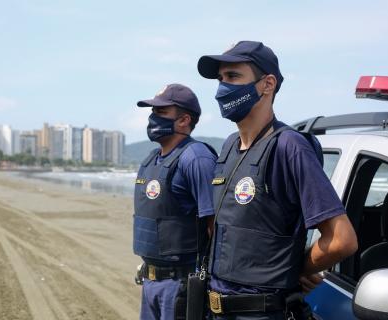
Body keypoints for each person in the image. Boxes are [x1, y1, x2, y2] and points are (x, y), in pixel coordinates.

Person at [196, 41, 358, 319]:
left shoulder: (289, 146)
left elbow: (342, 239)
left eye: (233, 77)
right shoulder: (229, 146)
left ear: (267, 84)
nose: (223, 88)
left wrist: (296, 267)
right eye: (221, 79)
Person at [133, 83, 217, 320]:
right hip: (151, 282)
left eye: (161, 113)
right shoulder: (151, 159)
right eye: (152, 112)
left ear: (183, 120)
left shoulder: (196, 158)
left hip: (181, 285)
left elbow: (217, 227)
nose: (152, 118)